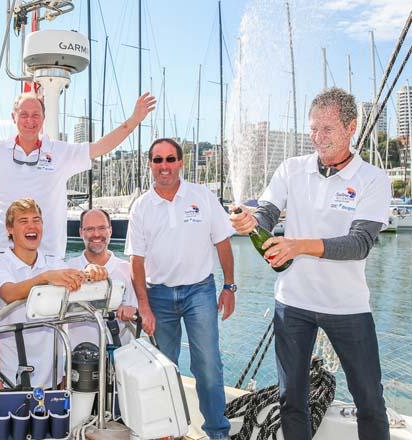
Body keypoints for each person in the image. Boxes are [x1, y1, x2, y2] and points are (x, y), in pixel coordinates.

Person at [230, 87, 391, 440]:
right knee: (291, 399)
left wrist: (297, 246)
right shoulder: (292, 169)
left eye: (328, 130)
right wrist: (250, 223)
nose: (317, 138)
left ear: (351, 128)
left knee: (369, 400)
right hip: (293, 304)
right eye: (313, 129)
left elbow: (359, 243)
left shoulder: (373, 180)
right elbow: (267, 213)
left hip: (348, 307)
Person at [125, 138, 236, 440]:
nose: (165, 166)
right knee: (163, 369)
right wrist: (144, 307)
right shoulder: (141, 207)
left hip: (200, 293)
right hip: (158, 296)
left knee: (209, 366)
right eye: (158, 160)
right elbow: (136, 262)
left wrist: (229, 286)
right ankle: (168, 433)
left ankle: (217, 433)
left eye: (170, 159)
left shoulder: (202, 196)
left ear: (181, 162)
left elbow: (223, 242)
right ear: (150, 164)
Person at [0, 91, 156, 258]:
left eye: (36, 115)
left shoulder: (60, 152)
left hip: (48, 253)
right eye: (24, 115)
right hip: (3, 249)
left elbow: (101, 147)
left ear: (44, 118)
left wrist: (134, 119)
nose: (30, 120)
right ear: (14, 117)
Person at [0, 198, 107, 389]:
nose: (31, 226)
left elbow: (78, 277)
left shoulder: (54, 263)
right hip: (12, 375)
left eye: (36, 220)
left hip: (53, 376)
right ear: (10, 229)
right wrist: (44, 278)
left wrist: (92, 270)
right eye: (23, 221)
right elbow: (8, 293)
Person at [67, 208, 139, 349]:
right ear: (81, 232)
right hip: (77, 358)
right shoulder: (67, 269)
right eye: (90, 229)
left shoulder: (128, 270)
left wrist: (133, 310)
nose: (96, 234)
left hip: (121, 357)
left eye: (102, 228)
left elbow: (140, 312)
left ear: (110, 230)